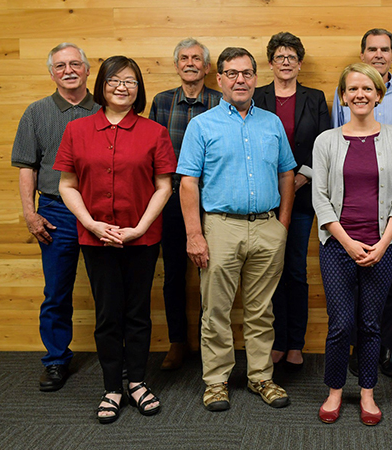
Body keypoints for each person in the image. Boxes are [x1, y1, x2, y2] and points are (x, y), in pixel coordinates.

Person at [54, 55, 176, 423]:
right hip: (96, 240)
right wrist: (91, 223)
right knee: (108, 314)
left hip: (141, 238)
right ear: (102, 86)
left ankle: (137, 382)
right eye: (114, 81)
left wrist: (139, 227)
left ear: (139, 89)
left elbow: (164, 186)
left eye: (131, 81)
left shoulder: (154, 132)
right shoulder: (77, 130)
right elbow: (67, 185)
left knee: (137, 312)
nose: (122, 87)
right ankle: (111, 387)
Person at [178, 47, 296, 412]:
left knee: (262, 310)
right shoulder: (202, 125)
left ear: (256, 78)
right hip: (220, 228)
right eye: (232, 73)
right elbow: (187, 182)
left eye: (246, 73)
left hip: (266, 228)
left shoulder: (271, 123)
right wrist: (194, 234)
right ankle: (216, 382)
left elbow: (287, 172)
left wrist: (283, 224)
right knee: (215, 310)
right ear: (220, 80)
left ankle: (261, 376)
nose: (240, 80)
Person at [314, 63, 392, 426]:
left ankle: (368, 392)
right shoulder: (326, 140)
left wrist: (384, 243)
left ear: (378, 95)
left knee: (371, 323)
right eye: (352, 89)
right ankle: (335, 390)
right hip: (338, 247)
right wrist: (347, 242)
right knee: (341, 323)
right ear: (342, 96)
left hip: (382, 247)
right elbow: (320, 200)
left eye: (367, 89)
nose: (360, 95)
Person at [332, 28, 392, 378]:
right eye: (372, 49)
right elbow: (333, 146)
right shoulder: (343, 92)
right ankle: (358, 348)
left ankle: (387, 347)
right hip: (351, 208)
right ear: (362, 53)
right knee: (352, 280)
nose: (378, 55)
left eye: (385, 49)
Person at [11, 43, 100, 392]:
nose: (68, 70)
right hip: (55, 212)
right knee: (57, 292)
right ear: (51, 73)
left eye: (75, 64)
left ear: (88, 70)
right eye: (60, 66)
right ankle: (56, 361)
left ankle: (117, 357)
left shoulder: (106, 111)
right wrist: (31, 214)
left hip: (100, 211)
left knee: (108, 289)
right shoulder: (36, 113)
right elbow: (27, 168)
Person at [253, 32, 332, 371]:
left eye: (291, 57)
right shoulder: (255, 97)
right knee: (267, 273)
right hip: (263, 196)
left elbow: (326, 142)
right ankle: (275, 341)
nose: (285, 63)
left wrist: (303, 176)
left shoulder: (315, 98)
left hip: (302, 196)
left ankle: (296, 343)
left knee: (296, 271)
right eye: (279, 57)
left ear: (300, 63)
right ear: (270, 63)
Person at [148, 38, 222, 371]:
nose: (190, 63)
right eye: (183, 58)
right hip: (172, 201)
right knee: (174, 275)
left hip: (214, 201)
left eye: (197, 58)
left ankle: (211, 344)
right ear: (177, 65)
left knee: (213, 276)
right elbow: (149, 154)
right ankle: (178, 341)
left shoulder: (221, 103)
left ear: (207, 68)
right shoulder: (162, 102)